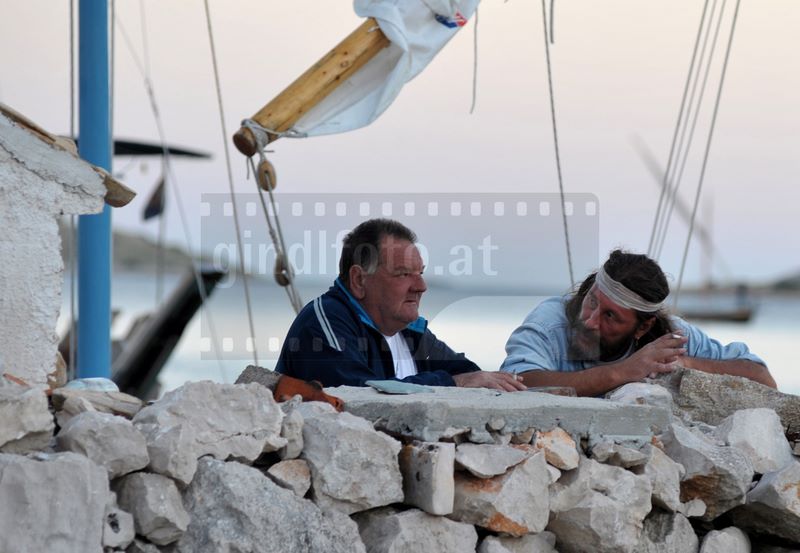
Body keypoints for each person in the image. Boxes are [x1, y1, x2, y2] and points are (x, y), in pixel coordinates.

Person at [276, 218, 527, 392]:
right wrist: (454, 383)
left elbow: (471, 375)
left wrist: (470, 380)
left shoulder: (410, 331)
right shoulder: (324, 321)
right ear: (359, 279)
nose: (421, 286)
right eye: (403, 274)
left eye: (420, 273)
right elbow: (356, 395)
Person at [500, 249, 776, 396]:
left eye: (610, 316)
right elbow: (517, 382)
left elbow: (763, 379)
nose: (590, 321)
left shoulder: (671, 337)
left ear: (643, 327)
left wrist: (684, 363)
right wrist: (623, 371)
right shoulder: (551, 321)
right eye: (592, 301)